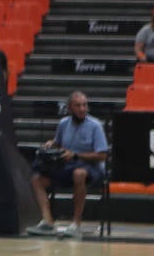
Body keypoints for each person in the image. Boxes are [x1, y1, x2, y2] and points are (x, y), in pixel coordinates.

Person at [26, 91, 109, 238]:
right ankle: (48, 222)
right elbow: (58, 142)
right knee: (37, 180)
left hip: (92, 168)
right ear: (70, 108)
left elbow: (102, 155)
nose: (82, 109)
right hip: (67, 165)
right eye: (78, 106)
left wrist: (76, 154)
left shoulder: (95, 126)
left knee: (79, 173)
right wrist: (52, 143)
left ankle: (76, 224)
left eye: (85, 105)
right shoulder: (64, 123)